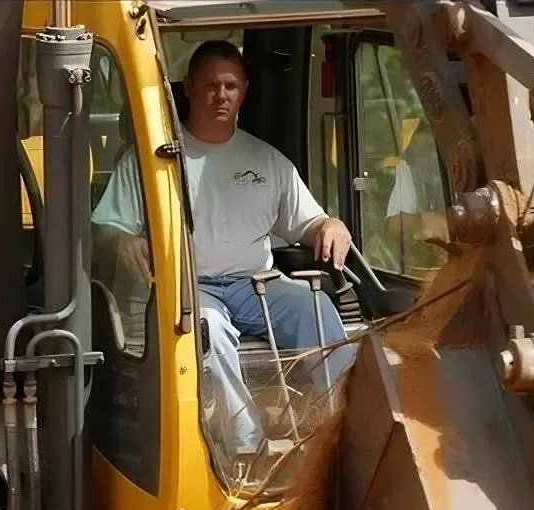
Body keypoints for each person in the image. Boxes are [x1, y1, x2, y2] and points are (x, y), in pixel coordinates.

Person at [90, 40, 357, 468]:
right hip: (190, 287)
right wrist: (122, 240)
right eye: (211, 85)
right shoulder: (151, 161)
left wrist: (332, 225)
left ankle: (352, 423)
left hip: (257, 287)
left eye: (230, 85)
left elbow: (306, 223)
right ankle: (247, 448)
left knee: (316, 305)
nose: (221, 95)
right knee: (207, 326)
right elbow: (105, 227)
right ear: (190, 89)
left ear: (244, 91)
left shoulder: (267, 161)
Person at [384, 117, 450, 273]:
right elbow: (393, 226)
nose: (428, 158)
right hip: (419, 270)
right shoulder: (409, 169)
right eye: (422, 149)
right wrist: (424, 220)